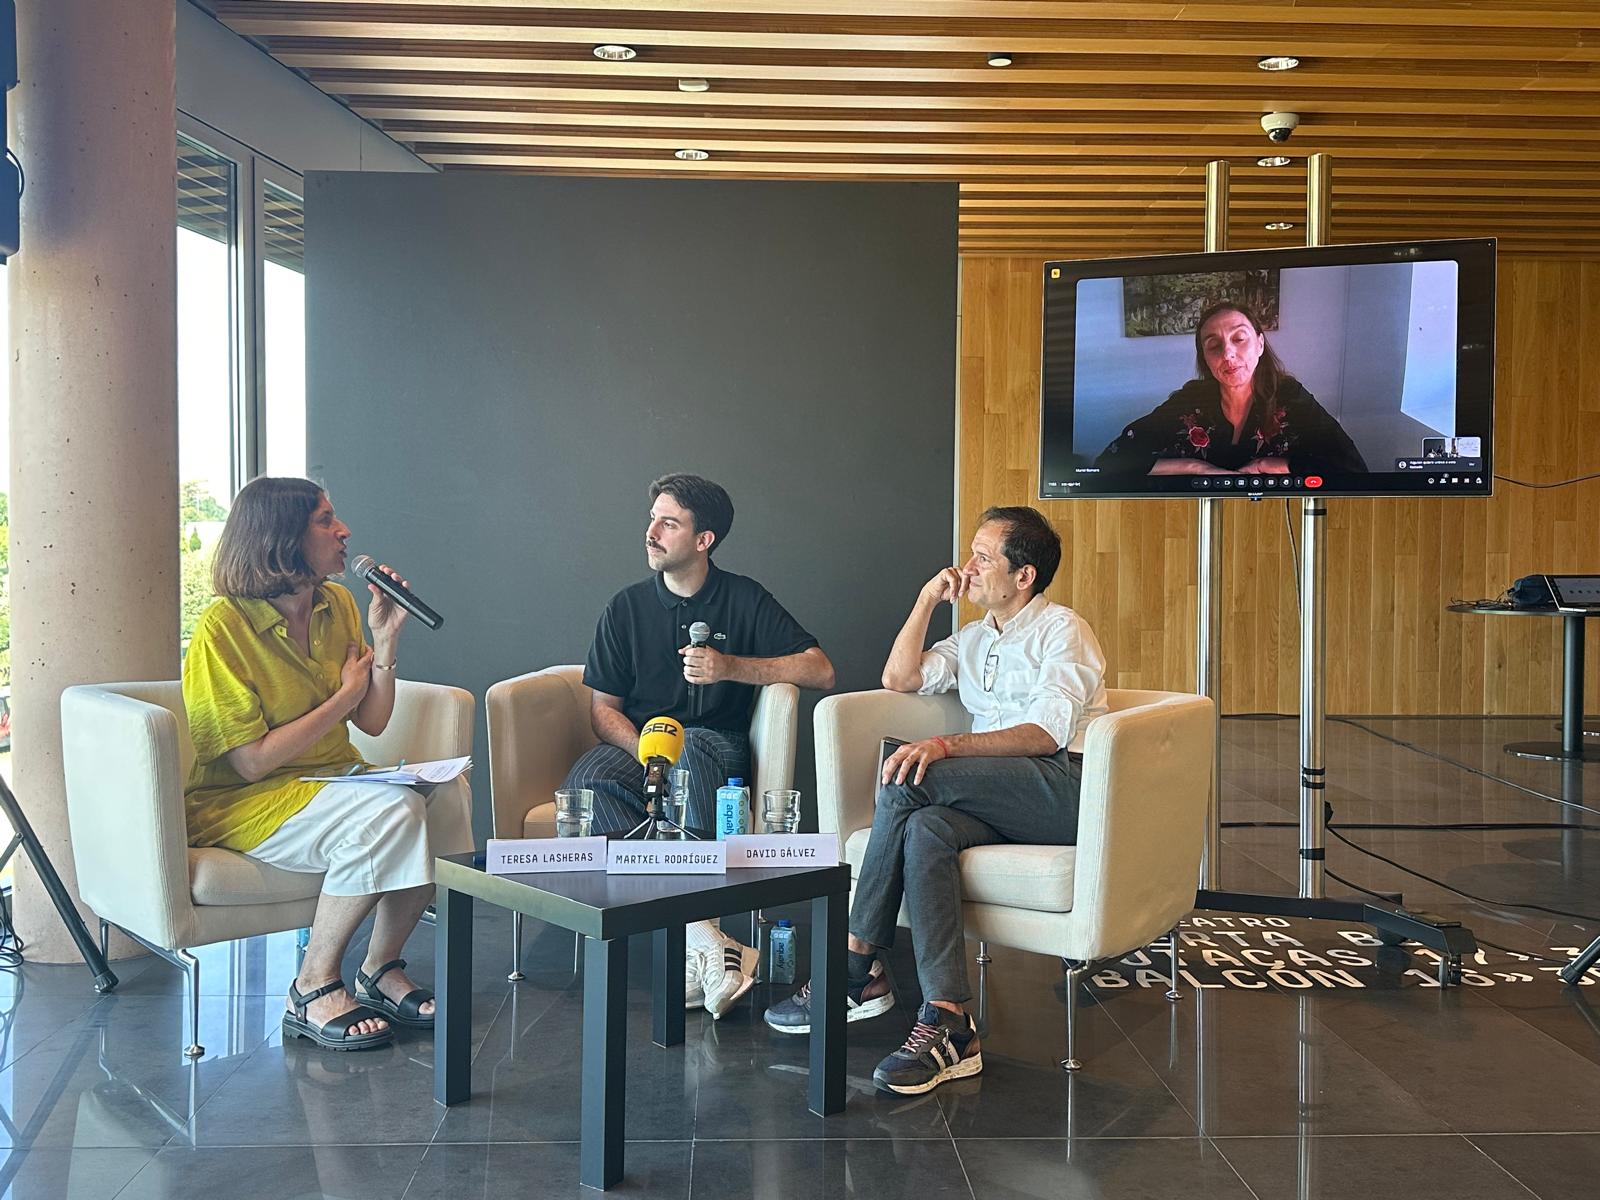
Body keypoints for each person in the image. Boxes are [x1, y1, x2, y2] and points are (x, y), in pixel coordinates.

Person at [764, 506, 1107, 1095]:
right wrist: (927, 599)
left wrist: (947, 744)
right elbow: (899, 677)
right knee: (926, 830)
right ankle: (950, 1020)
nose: (967, 568)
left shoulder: (1062, 630)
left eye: (983, 557)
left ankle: (856, 962)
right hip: (998, 793)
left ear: (1023, 575)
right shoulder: (973, 638)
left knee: (910, 772)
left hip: (1065, 787)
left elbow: (1046, 735)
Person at [183, 477, 473, 1052]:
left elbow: (370, 723)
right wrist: (342, 697)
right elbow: (250, 762)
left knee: (449, 796)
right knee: (387, 809)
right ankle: (312, 984)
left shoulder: (336, 603)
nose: (343, 532)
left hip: (330, 780)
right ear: (281, 538)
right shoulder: (223, 628)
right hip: (247, 800)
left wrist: (385, 644)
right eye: (325, 520)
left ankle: (379, 969)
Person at [566, 473, 835, 1018]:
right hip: (638, 743)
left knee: (689, 759)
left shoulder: (743, 597)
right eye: (653, 519)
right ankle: (711, 944)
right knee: (587, 783)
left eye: (669, 523)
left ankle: (698, 943)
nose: (652, 532)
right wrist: (646, 749)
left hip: (717, 745)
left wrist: (731, 667)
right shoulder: (626, 608)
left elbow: (820, 670)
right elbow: (602, 712)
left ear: (704, 539)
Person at [1095, 301, 1368, 477]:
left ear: (1260, 345)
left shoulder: (1290, 397)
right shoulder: (1189, 402)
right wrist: (1197, 468)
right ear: (1205, 358)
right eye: (1214, 345)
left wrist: (1271, 465)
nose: (1228, 354)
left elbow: (1352, 467)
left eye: (1239, 338)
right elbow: (1110, 461)